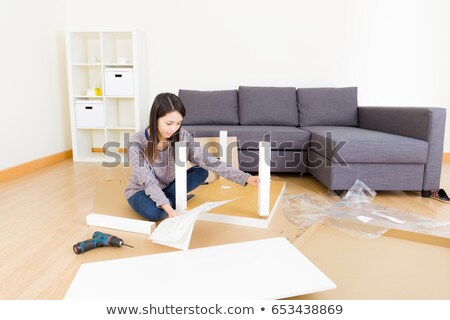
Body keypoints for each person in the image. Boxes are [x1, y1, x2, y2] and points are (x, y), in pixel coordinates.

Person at [125, 92, 260, 221]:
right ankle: (169, 200)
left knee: (202, 171)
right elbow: (148, 182)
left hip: (169, 186)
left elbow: (209, 160)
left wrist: (246, 177)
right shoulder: (137, 142)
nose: (173, 129)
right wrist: (169, 209)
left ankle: (168, 198)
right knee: (155, 213)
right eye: (169, 123)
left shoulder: (182, 135)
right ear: (155, 119)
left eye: (178, 123)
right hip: (141, 191)